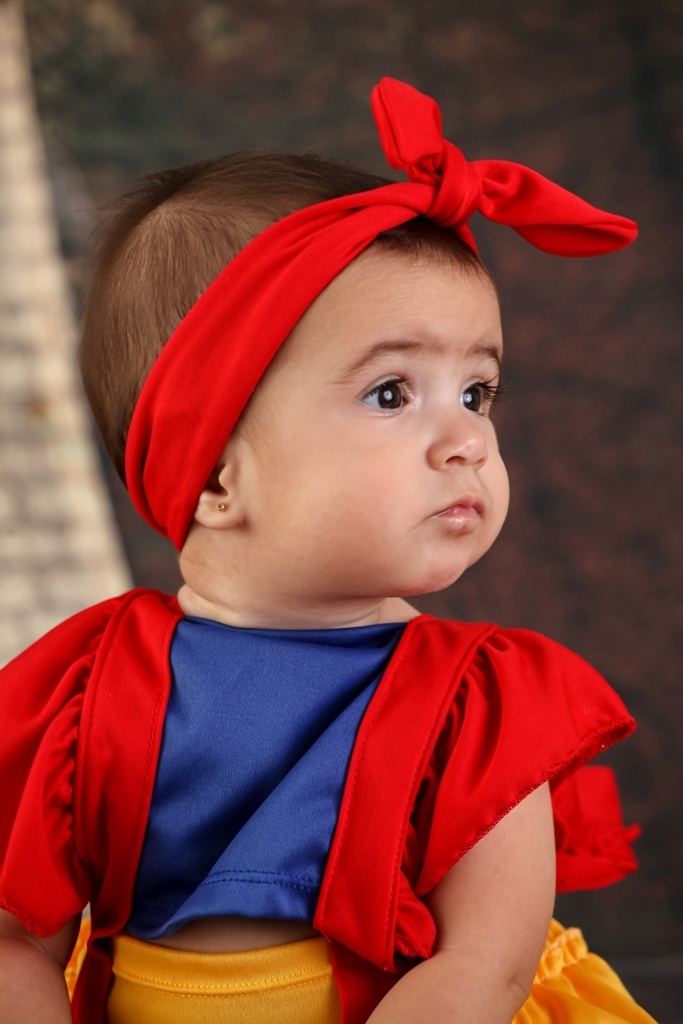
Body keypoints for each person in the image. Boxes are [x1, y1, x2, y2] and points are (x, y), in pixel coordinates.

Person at [0, 77, 655, 1024]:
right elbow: (18, 939)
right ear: (217, 478)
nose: (467, 440)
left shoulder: (478, 700)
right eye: (392, 393)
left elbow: (485, 964)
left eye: (476, 393)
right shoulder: (85, 688)